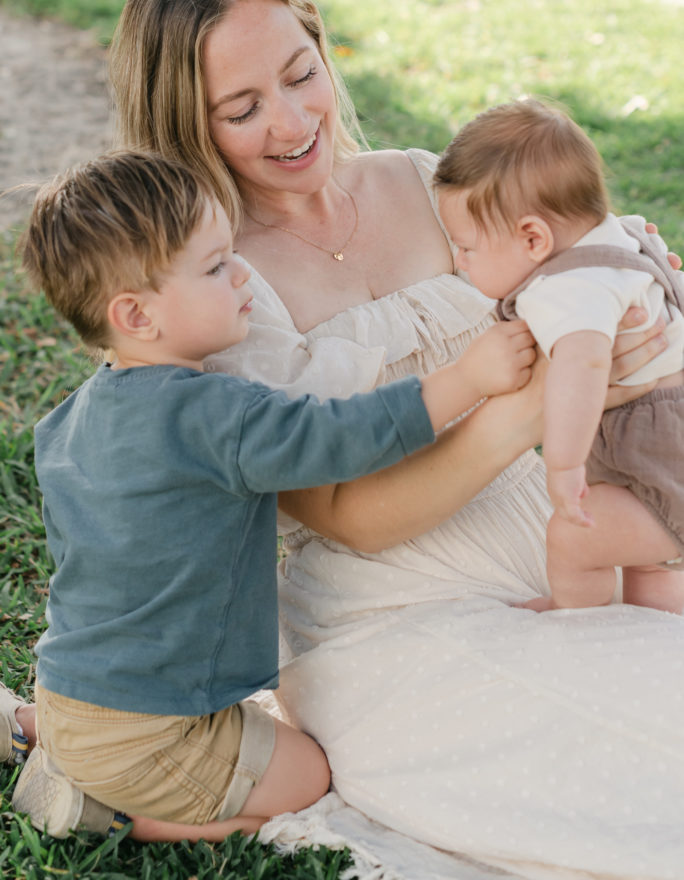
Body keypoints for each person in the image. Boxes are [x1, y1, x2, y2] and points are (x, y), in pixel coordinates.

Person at [8, 0, 684, 878]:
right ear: (188, 122)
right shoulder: (214, 298)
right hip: (393, 603)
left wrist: (625, 278)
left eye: (301, 74)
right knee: (645, 759)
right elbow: (350, 517)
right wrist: (523, 412)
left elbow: (568, 275)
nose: (290, 123)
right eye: (241, 109)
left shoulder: (429, 182)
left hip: (570, 524)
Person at [12, 148, 534, 842]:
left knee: (238, 746)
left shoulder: (66, 426)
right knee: (308, 779)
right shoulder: (215, 417)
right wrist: (466, 379)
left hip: (74, 687)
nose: (242, 275)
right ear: (136, 315)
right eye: (215, 266)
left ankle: (44, 736)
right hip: (151, 730)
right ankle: (102, 814)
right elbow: (341, 436)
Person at [435, 98, 684, 615]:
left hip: (660, 454)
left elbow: (584, 366)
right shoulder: (627, 236)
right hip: (663, 446)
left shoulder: (568, 289)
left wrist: (565, 465)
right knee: (648, 560)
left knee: (572, 538)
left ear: (533, 238)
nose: (458, 260)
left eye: (466, 248)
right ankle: (657, 637)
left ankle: (580, 629)